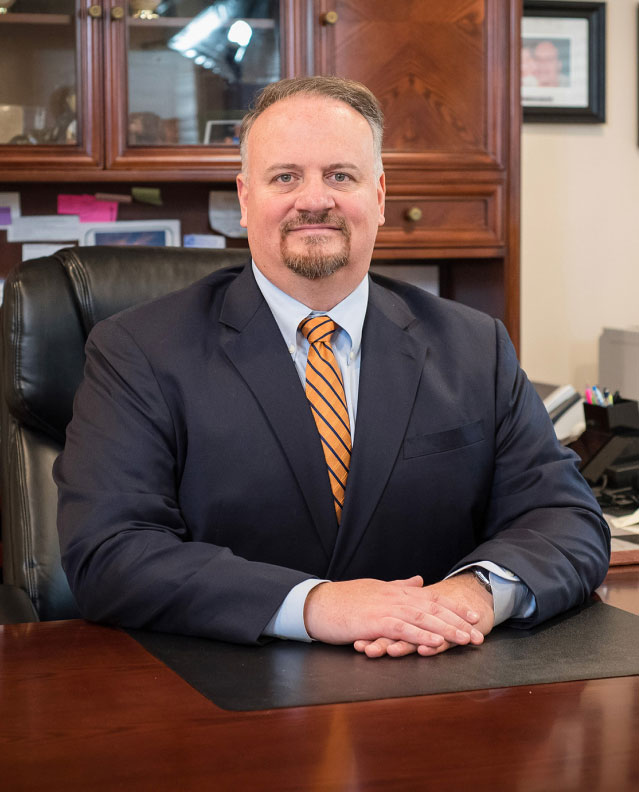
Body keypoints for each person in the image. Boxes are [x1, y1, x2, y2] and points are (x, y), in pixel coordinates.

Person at [55, 76, 609, 659]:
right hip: (223, 698)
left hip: (440, 686)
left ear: (379, 195)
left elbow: (566, 517)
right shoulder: (137, 349)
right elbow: (110, 551)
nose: (314, 199)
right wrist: (318, 604)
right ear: (246, 199)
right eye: (285, 177)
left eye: (340, 176)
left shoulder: (475, 346)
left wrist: (476, 596)